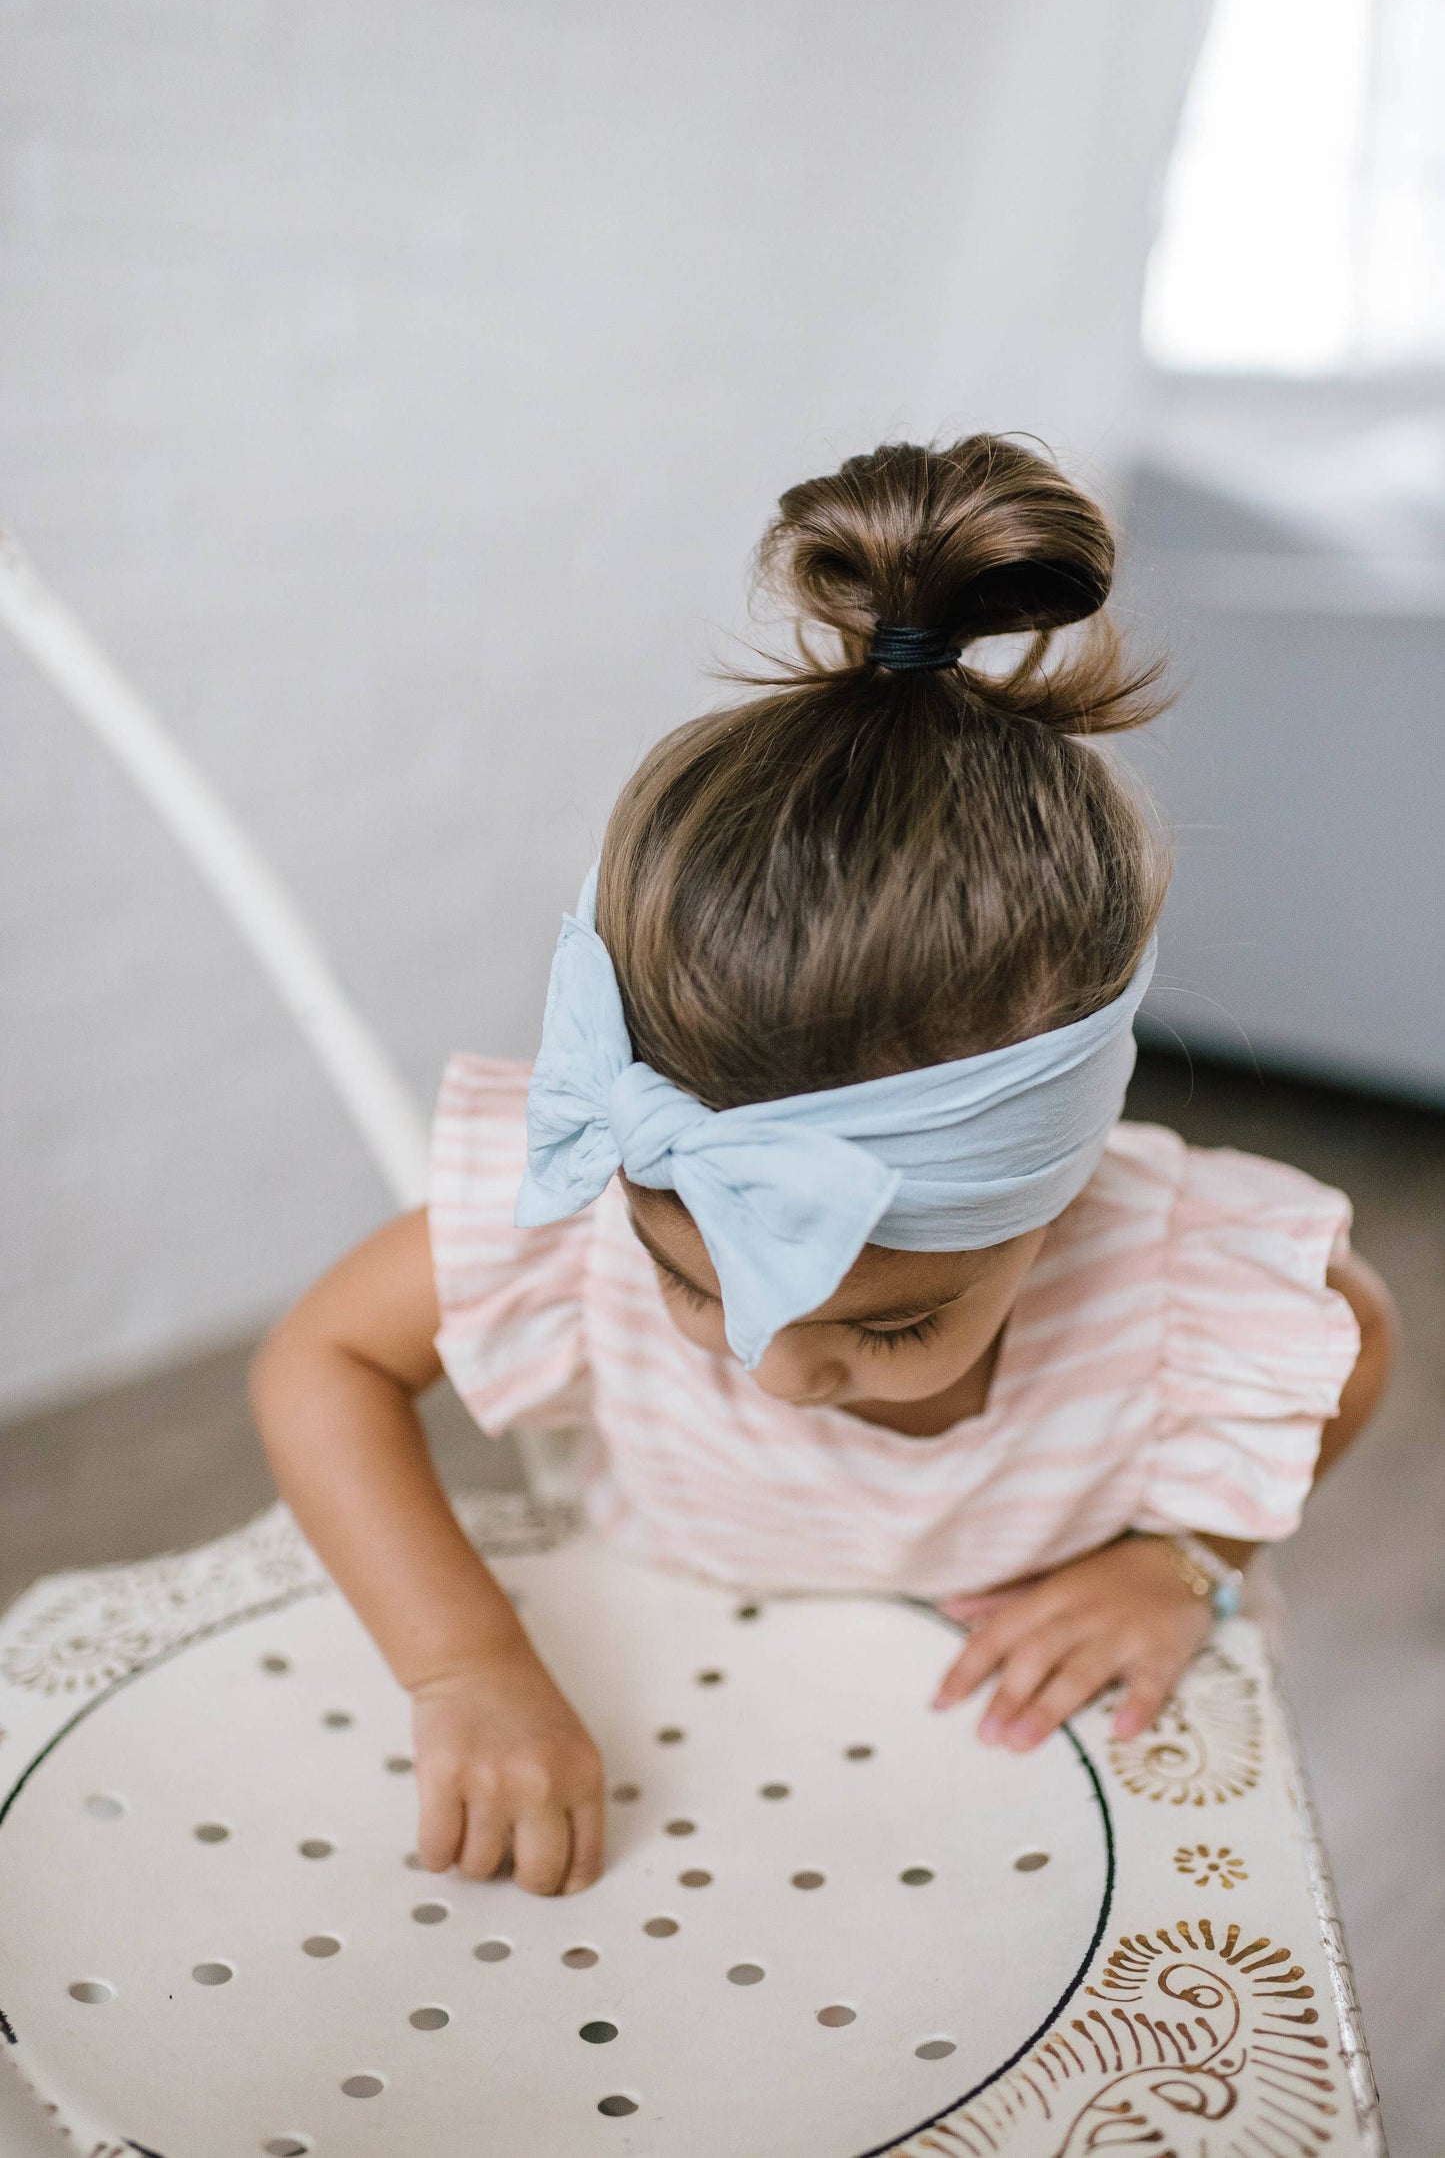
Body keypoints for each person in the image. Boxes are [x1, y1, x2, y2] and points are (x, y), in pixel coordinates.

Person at [250, 435, 1394, 1902]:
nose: (775, 1371)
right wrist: (462, 1659)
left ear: (1055, 1191)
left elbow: (1349, 1332)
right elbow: (321, 1359)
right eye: (687, 1278)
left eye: (888, 1320)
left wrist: (1178, 1557)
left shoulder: (1170, 1268)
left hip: (1046, 1771)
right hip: (686, 1728)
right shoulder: (602, 1190)